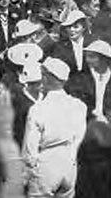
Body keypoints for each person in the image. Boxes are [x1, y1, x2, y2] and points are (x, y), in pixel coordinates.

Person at [22, 58, 87, 198]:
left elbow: (29, 148)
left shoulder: (38, 109)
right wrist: (71, 156)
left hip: (47, 163)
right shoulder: (79, 106)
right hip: (69, 163)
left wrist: (27, 174)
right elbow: (79, 137)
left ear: (45, 78)